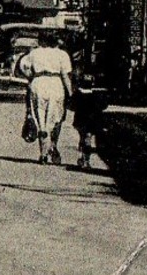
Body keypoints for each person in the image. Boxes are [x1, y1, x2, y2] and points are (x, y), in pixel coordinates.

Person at [19, 30, 74, 164]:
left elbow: (23, 67)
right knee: (56, 118)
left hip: (38, 83)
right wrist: (71, 93)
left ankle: (43, 153)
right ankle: (52, 146)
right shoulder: (62, 54)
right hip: (55, 83)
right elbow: (65, 76)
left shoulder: (34, 53)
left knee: (40, 117)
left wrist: (31, 77)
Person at [73, 80, 109, 170]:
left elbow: (71, 105)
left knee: (83, 138)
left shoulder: (77, 95)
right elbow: (104, 106)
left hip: (80, 121)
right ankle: (86, 160)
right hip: (91, 122)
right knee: (87, 139)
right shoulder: (95, 95)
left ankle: (83, 158)